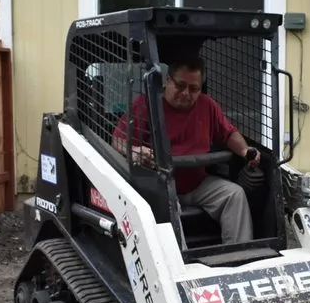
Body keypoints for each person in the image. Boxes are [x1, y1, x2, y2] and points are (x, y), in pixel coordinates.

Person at [111, 57, 260, 244]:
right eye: (180, 86)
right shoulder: (145, 105)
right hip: (162, 185)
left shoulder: (207, 105)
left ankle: (239, 253)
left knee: (234, 195)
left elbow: (229, 134)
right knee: (166, 204)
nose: (186, 93)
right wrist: (134, 150)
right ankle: (179, 260)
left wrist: (245, 150)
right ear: (168, 80)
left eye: (193, 89)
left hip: (197, 183)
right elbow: (117, 140)